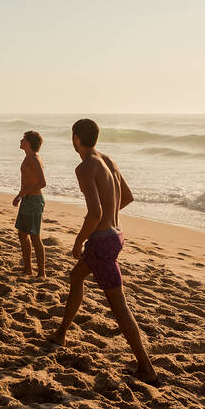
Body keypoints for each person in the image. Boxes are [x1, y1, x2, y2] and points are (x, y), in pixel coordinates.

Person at [49, 119, 157, 383]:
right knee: (76, 277)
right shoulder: (108, 160)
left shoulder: (85, 167)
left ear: (75, 138)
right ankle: (61, 333)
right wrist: (109, 221)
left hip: (101, 243)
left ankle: (146, 367)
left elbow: (95, 213)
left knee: (119, 306)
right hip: (116, 235)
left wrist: (78, 242)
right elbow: (127, 197)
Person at [13, 131, 47, 277]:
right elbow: (27, 181)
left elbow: (42, 182)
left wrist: (23, 194)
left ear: (29, 143)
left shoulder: (34, 158)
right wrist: (20, 196)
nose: (21, 141)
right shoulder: (28, 158)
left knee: (34, 236)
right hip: (27, 199)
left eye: (23, 139)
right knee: (22, 234)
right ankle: (27, 268)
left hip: (34, 200)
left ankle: (42, 273)